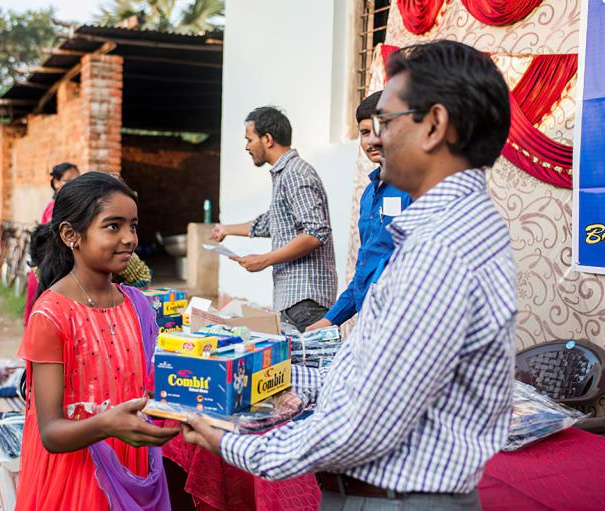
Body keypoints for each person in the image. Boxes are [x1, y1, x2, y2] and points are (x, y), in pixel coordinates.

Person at [183, 40, 516, 511]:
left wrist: (231, 442)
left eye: (386, 122)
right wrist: (262, 376)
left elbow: (362, 425)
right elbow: (366, 377)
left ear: (435, 125)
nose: (374, 140)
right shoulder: (440, 230)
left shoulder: (441, 249)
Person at [15, 172, 180, 510]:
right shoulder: (51, 315)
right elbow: (51, 433)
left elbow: (142, 386)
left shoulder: (138, 305)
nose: (129, 238)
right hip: (76, 476)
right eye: (112, 226)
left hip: (132, 458)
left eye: (132, 226)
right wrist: (106, 425)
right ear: (70, 234)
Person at [210, 106, 337, 331]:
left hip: (305, 301)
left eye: (250, 139)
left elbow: (316, 232)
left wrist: (265, 259)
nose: (246, 146)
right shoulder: (285, 173)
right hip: (295, 300)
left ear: (267, 139)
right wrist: (226, 229)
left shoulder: (295, 173)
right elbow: (270, 222)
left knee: (307, 365)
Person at [307, 92, 412, 331]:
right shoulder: (369, 195)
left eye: (379, 130)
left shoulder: (416, 188)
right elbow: (365, 271)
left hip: (402, 325)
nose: (370, 141)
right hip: (371, 324)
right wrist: (328, 321)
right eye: (364, 133)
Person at [23, 162, 79, 326]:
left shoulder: (63, 207)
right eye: (68, 181)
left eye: (77, 180)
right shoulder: (56, 209)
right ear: (56, 183)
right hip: (49, 268)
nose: (73, 185)